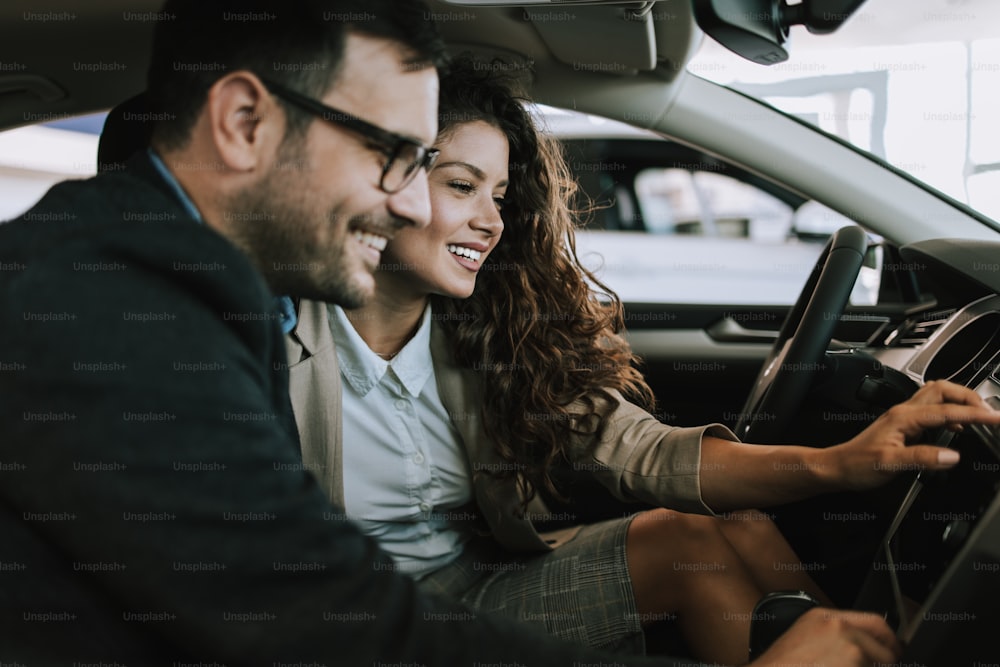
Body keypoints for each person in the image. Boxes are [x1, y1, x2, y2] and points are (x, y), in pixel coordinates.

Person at [0, 3, 698, 665]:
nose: (407, 202)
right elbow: (319, 622)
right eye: (391, 154)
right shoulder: (108, 311)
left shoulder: (214, 291)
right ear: (245, 123)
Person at [285, 55, 1000, 665]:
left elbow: (640, 449)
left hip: (473, 583)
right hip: (374, 631)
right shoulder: (277, 335)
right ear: (392, 180)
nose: (492, 220)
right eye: (463, 186)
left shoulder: (478, 331)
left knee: (734, 519)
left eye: (500, 196)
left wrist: (840, 461)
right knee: (683, 544)